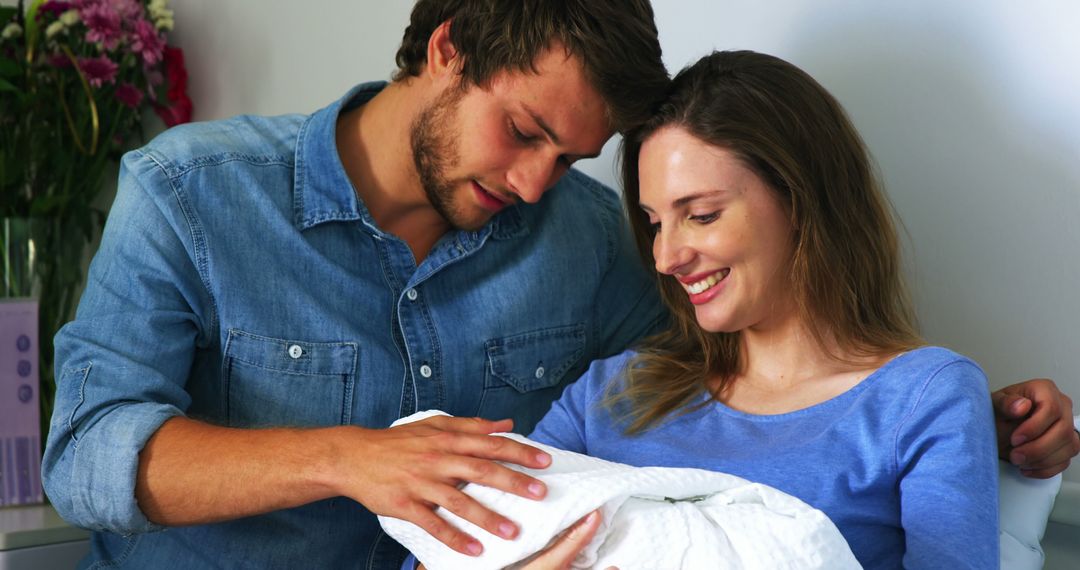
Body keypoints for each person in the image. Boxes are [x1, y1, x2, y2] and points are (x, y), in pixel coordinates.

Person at [40, 1, 1076, 569]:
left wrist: (968, 426)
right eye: (526, 131)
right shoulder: (190, 194)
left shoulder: (581, 240)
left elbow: (747, 373)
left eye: (571, 160)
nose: (536, 183)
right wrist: (354, 462)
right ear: (447, 51)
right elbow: (85, 458)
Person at [519, 49, 998, 569]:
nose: (664, 258)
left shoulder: (923, 400)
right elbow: (462, 546)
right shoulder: (613, 393)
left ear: (800, 199)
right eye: (655, 223)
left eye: (701, 215)